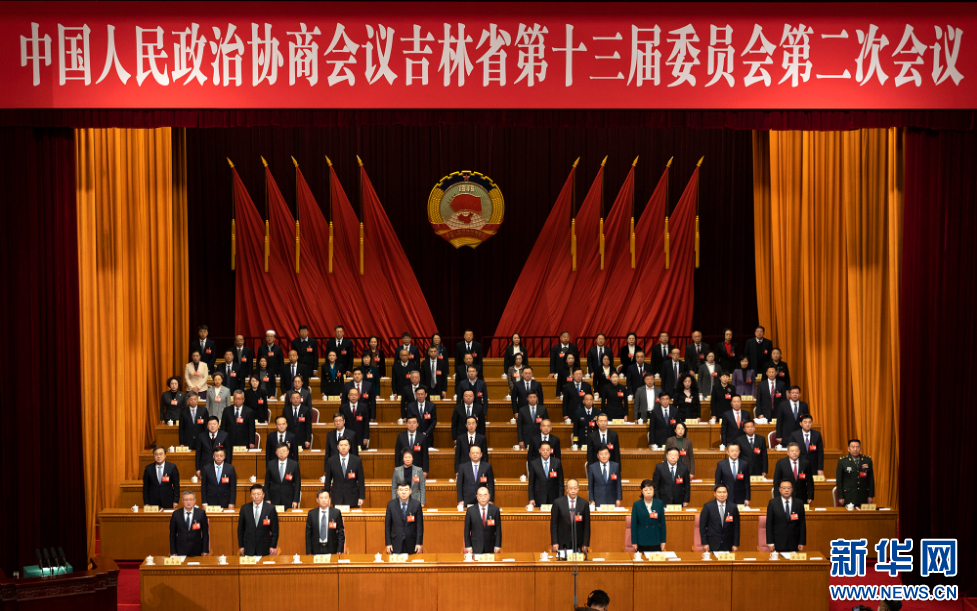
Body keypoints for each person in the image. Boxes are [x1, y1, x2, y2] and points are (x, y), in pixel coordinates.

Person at [237, 484, 279, 556]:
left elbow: (275, 530)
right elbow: (240, 530)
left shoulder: (270, 509)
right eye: (254, 494)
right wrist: (241, 546)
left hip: (265, 547)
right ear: (250, 495)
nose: (256, 496)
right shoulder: (244, 508)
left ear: (263, 495)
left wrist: (272, 546)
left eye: (258, 494)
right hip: (248, 547)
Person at [550, 479, 590, 553]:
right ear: (566, 489)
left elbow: (587, 526)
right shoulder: (558, 503)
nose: (573, 491)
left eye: (575, 488)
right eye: (570, 488)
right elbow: (553, 525)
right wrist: (554, 542)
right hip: (562, 542)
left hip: (579, 542)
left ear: (578, 488)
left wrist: (585, 543)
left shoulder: (584, 504)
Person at [766, 481, 806, 552]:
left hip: (794, 541)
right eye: (784, 488)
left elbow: (802, 524)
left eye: (788, 488)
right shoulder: (773, 503)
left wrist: (801, 542)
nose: (786, 490)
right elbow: (769, 524)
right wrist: (770, 542)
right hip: (778, 541)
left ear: (792, 489)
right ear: (780, 489)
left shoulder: (799, 503)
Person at [323, 438, 365, 508]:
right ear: (338, 447)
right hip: (336, 497)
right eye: (341, 445)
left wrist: (361, 497)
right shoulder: (331, 461)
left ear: (349, 447)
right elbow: (327, 481)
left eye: (345, 445)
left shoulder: (357, 461)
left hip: (352, 497)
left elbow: (361, 480)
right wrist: (326, 497)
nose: (343, 447)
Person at [699, 484, 740, 552]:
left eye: (724, 492)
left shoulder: (733, 507)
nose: (722, 495)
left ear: (727, 493)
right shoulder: (708, 507)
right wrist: (705, 543)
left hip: (728, 544)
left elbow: (736, 527)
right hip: (712, 543)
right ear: (715, 494)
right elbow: (702, 527)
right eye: (719, 492)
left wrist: (735, 544)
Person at [385, 483, 423, 554]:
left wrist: (418, 543)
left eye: (406, 490)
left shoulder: (416, 505)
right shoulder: (391, 505)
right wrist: (388, 543)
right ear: (397, 491)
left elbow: (419, 526)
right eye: (401, 490)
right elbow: (387, 526)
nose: (403, 492)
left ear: (410, 491)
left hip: (412, 543)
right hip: (395, 543)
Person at [836, 439, 875, 507]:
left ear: (860, 448)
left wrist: (870, 495)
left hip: (863, 495)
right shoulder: (843, 461)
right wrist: (841, 496)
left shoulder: (867, 460)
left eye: (857, 447)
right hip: (848, 496)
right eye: (853, 447)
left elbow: (871, 480)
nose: (855, 449)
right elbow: (839, 481)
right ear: (848, 449)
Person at [630, 480, 666, 551]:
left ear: (654, 491)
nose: (648, 492)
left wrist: (663, 541)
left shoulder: (659, 503)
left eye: (650, 489)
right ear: (642, 491)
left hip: (655, 539)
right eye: (646, 490)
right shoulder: (637, 505)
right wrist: (634, 542)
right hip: (642, 539)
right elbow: (633, 525)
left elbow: (662, 524)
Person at [170, 491, 209, 556]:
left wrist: (205, 550)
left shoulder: (201, 513)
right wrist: (173, 551)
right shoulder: (176, 514)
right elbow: (172, 535)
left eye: (191, 500)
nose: (188, 502)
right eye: (186, 500)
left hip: (197, 550)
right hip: (180, 550)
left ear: (194, 501)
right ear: (182, 501)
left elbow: (205, 534)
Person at [305, 489, 344, 555]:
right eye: (321, 498)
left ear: (329, 499)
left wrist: (339, 550)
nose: (323, 500)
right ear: (317, 500)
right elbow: (308, 535)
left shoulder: (336, 513)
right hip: (316, 548)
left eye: (326, 498)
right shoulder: (311, 514)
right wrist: (309, 552)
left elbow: (341, 532)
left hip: (332, 548)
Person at [464, 486, 502, 554]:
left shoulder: (495, 510)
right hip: (475, 546)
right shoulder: (470, 511)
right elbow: (467, 530)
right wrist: (468, 546)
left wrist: (497, 545)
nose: (483, 498)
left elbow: (498, 529)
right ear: (477, 497)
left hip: (491, 546)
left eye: (485, 495)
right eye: (480, 495)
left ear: (489, 496)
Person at [264, 443, 302, 509]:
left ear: (288, 452)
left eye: (284, 451)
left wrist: (295, 500)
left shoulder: (294, 464)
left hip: (289, 498)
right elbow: (266, 484)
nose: (282, 453)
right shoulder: (270, 464)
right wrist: (267, 499)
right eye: (279, 451)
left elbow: (297, 484)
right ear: (276, 452)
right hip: (273, 498)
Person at [528, 441, 564, 507]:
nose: (545, 452)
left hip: (554, 497)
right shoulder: (534, 464)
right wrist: (531, 498)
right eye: (543, 450)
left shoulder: (557, 462)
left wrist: (561, 498)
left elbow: (560, 483)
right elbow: (531, 483)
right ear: (539, 450)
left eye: (547, 450)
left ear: (551, 450)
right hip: (539, 497)